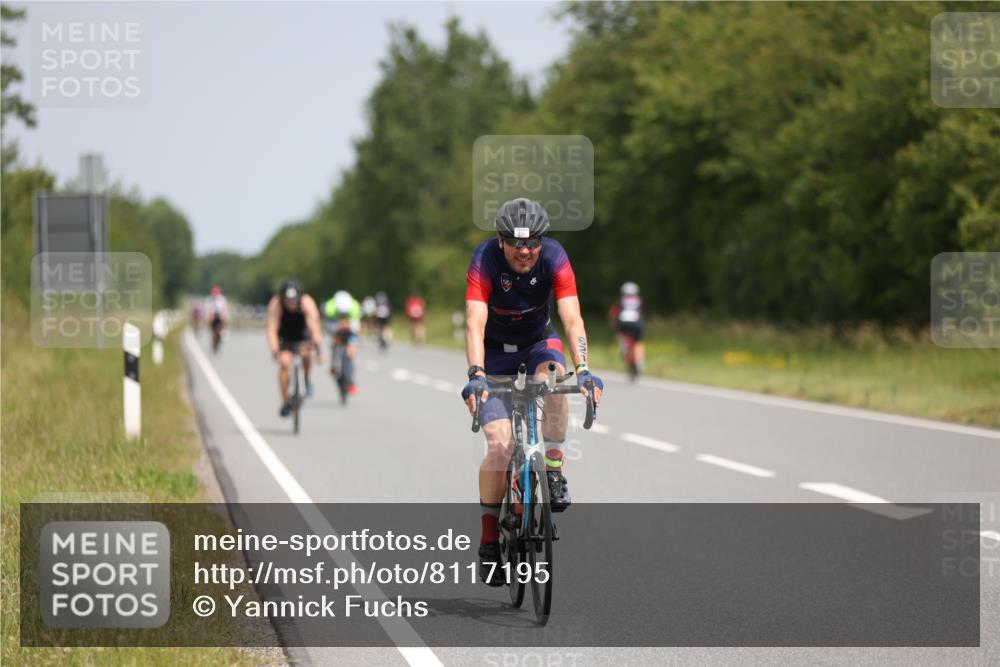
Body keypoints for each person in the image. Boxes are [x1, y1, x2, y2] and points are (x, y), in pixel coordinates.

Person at [460, 197, 604, 586]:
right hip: (493, 354)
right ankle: (489, 541)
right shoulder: (485, 259)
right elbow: (474, 321)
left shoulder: (554, 256)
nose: (524, 251)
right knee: (500, 445)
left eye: (532, 243)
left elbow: (572, 319)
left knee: (556, 378)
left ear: (542, 241)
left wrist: (584, 369)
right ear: (501, 241)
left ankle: (553, 467)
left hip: (539, 343)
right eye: (515, 242)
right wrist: (476, 374)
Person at [266, 279, 324, 417]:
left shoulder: (307, 302)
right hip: (285, 336)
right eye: (287, 301)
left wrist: (318, 349)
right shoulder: (276, 304)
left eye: (293, 300)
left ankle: (307, 379)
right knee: (285, 363)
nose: (291, 304)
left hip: (302, 334)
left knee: (307, 354)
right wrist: (275, 350)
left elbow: (314, 326)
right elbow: (272, 329)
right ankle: (285, 400)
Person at [323, 290, 361, 394]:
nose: (343, 315)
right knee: (334, 343)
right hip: (335, 326)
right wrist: (337, 328)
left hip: (351, 328)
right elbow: (328, 325)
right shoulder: (330, 307)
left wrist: (352, 342)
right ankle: (333, 365)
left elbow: (356, 327)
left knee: (351, 350)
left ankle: (351, 381)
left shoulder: (355, 308)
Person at [608, 281, 645, 375]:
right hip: (637, 325)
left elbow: (613, 315)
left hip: (623, 324)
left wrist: (613, 327)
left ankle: (623, 349)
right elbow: (641, 314)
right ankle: (639, 361)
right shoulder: (639, 300)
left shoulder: (619, 301)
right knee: (638, 342)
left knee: (619, 336)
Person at [206, 285, 229, 353]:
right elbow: (207, 309)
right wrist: (209, 316)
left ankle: (221, 336)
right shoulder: (209, 300)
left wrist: (224, 316)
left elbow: (224, 309)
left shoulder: (222, 299)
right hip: (212, 317)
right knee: (213, 332)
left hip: (220, 317)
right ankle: (214, 342)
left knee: (220, 328)